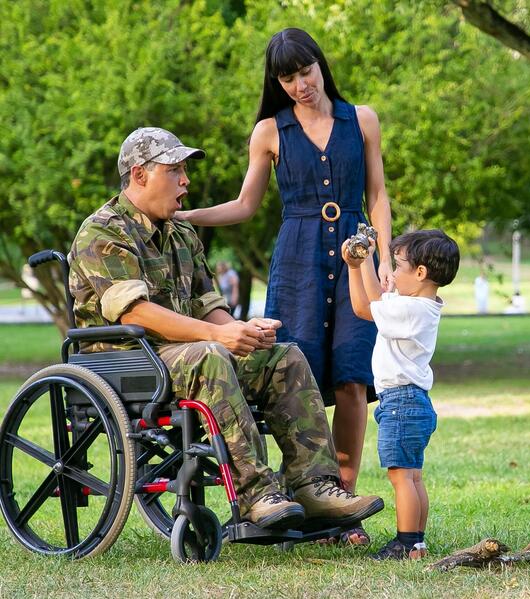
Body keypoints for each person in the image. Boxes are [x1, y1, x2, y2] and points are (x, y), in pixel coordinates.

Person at [69, 127, 383, 534]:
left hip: (183, 355)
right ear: (139, 174)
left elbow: (208, 305)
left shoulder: (182, 234)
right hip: (123, 362)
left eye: (185, 170)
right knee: (212, 354)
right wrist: (217, 337)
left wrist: (242, 331)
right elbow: (136, 314)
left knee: (282, 356)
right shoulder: (104, 231)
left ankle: (313, 485)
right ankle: (257, 494)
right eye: (175, 170)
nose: (186, 181)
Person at [177, 29, 392, 543]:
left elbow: (379, 194)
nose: (301, 85)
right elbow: (246, 205)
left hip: (356, 258)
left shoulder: (361, 120)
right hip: (297, 260)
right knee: (295, 377)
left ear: (321, 65)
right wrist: (185, 213)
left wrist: (384, 257)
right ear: (278, 82)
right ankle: (289, 495)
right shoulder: (269, 131)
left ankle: (342, 503)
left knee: (352, 378)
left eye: (306, 72)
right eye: (288, 77)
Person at [342, 229, 460, 560]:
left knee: (401, 477)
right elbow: (373, 300)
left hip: (401, 403)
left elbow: (365, 308)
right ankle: (416, 543)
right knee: (413, 477)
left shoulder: (413, 310)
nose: (391, 275)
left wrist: (357, 264)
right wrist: (361, 262)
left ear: (420, 273)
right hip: (412, 402)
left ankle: (406, 542)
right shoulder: (416, 303)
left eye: (397, 267)